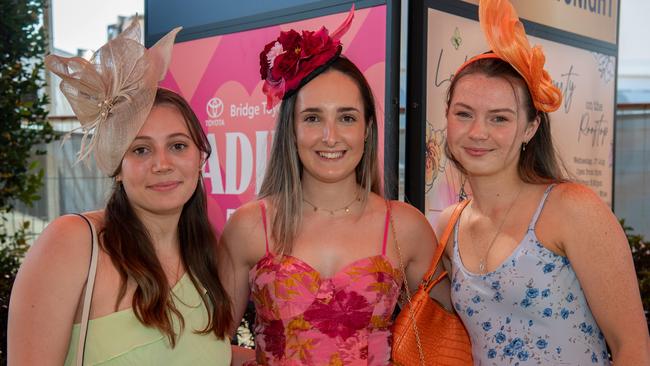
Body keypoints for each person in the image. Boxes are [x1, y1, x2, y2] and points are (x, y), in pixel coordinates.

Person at [219, 8, 445, 365]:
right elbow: (208, 347)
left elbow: (448, 342)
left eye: (346, 118)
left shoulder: (405, 226)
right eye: (312, 118)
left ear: (367, 129)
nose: (330, 136)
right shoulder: (249, 226)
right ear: (291, 131)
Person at [435, 0, 650, 364]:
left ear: (530, 128)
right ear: (447, 117)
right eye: (464, 114)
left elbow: (632, 346)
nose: (478, 132)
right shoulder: (449, 224)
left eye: (499, 118)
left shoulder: (570, 208)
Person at [8, 22, 232, 365]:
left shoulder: (204, 253)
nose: (162, 164)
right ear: (117, 167)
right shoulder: (73, 243)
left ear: (200, 156)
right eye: (140, 150)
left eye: (177, 145)